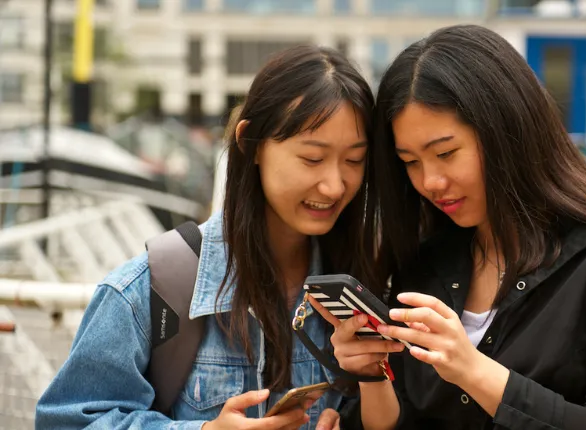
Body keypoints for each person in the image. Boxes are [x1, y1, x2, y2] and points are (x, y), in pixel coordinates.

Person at [311, 24, 586, 430]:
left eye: (445, 153)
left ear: (507, 131)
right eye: (410, 162)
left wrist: (472, 370)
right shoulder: (430, 257)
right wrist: (372, 374)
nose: (430, 181)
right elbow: (406, 419)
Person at [36, 45, 380, 430]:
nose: (335, 186)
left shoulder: (364, 289)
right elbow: (65, 421)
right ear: (250, 144)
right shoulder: (148, 291)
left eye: (354, 160)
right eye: (312, 159)